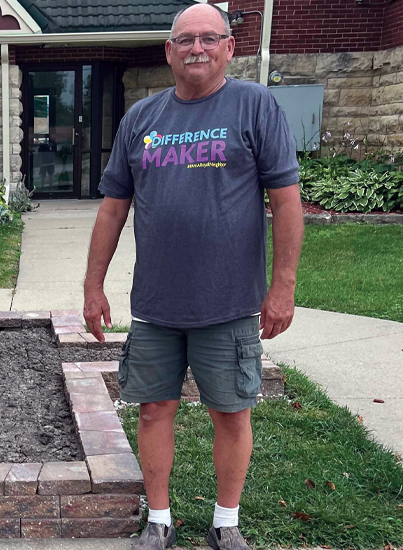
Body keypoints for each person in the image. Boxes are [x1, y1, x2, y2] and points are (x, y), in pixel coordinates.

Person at [83, 4, 304, 550]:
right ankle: (159, 518)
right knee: (155, 409)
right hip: (157, 304)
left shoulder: (255, 106)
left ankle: (225, 524)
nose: (197, 49)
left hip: (228, 303)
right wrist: (92, 284)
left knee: (230, 412)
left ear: (229, 47)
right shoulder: (141, 119)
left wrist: (283, 287)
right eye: (185, 40)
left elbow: (287, 201)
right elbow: (113, 208)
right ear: (169, 51)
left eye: (209, 38)